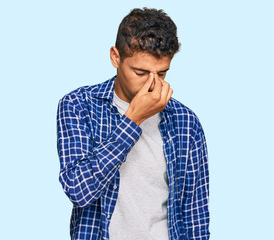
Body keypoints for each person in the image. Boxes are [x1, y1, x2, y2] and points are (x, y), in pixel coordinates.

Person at [57, 7, 210, 240]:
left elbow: (195, 213)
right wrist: (133, 119)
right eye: (140, 72)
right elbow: (78, 190)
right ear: (115, 57)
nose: (152, 84)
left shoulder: (185, 121)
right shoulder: (78, 105)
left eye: (161, 74)